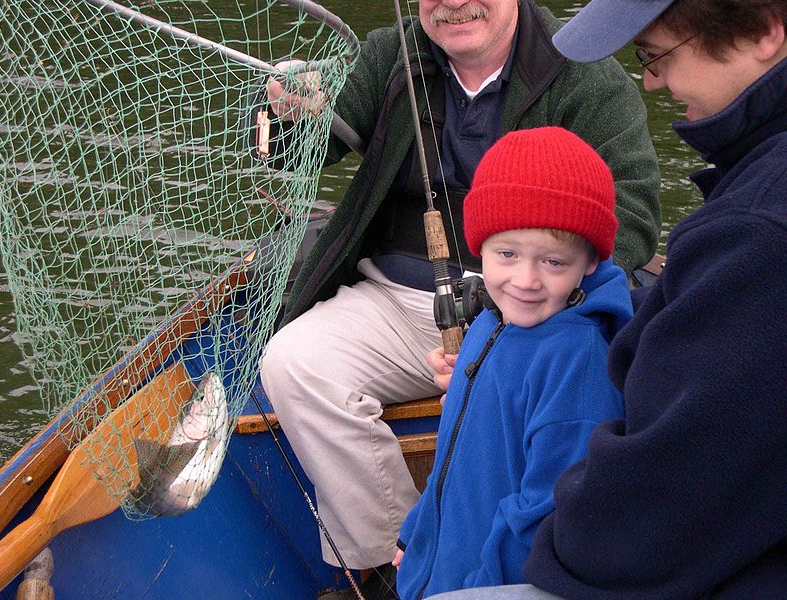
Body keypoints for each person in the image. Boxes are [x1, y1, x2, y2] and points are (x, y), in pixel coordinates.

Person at [259, 0, 661, 584]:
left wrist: (522, 304)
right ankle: (391, 565)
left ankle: (487, 572)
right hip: (390, 298)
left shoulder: (584, 71)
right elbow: (287, 155)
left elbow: (635, 207)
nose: (453, 3)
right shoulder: (388, 57)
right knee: (294, 364)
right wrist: (286, 110)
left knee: (504, 419)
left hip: (531, 306)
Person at [429, 1, 787, 598]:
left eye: (655, 54)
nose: (649, 80)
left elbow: (640, 520)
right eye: (505, 255)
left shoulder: (758, 233)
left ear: (765, 31)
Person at [392, 126, 632, 599]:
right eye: (506, 254)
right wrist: (415, 531)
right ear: (478, 247)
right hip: (441, 568)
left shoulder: (577, 365)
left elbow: (543, 515)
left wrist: (480, 589)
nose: (525, 280)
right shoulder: (492, 319)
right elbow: (452, 454)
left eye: (553, 263)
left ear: (588, 262)